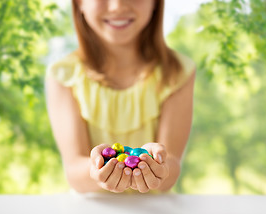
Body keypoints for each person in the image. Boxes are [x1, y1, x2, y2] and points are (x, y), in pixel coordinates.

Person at [45, 0, 196, 194]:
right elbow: (74, 171)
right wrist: (96, 171)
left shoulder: (178, 72)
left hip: (156, 212)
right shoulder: (63, 75)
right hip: (91, 211)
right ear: (79, 3)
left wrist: (161, 168)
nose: (117, 6)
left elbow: (172, 166)